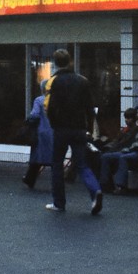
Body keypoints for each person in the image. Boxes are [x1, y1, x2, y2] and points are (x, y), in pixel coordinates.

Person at [45, 48, 103, 214]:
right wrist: (90, 128)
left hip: (61, 128)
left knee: (57, 163)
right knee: (82, 164)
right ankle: (95, 190)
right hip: (79, 128)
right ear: (70, 61)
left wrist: (53, 123)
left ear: (56, 63)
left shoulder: (54, 81)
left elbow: (49, 106)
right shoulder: (82, 81)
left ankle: (59, 202)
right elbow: (90, 108)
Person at [22, 90, 54, 189]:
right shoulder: (57, 100)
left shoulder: (39, 100)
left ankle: (30, 180)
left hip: (41, 131)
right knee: (55, 159)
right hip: (54, 132)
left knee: (37, 157)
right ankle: (57, 183)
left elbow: (34, 114)